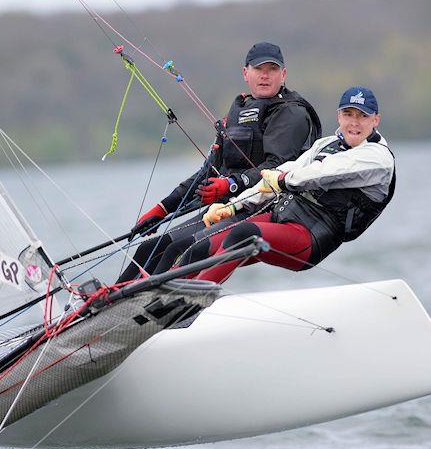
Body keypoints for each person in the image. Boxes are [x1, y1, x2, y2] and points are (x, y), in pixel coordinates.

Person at [116, 42, 321, 283]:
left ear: (283, 74)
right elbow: (208, 171)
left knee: (179, 251)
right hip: (221, 208)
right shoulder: (238, 110)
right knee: (150, 248)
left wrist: (231, 184)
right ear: (246, 73)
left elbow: (275, 167)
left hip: (260, 207)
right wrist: (163, 208)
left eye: (272, 69)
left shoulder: (291, 113)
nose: (265, 75)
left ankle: (151, 308)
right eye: (258, 69)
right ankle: (103, 306)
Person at [178, 86, 395, 283]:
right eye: (348, 114)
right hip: (282, 215)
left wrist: (282, 180)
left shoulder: (379, 158)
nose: (354, 122)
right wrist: (233, 206)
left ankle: (185, 302)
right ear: (339, 116)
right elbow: (285, 170)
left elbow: (323, 172)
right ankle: (153, 294)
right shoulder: (326, 144)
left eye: (362, 116)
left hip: (311, 237)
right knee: (201, 246)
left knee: (244, 234)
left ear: (375, 120)